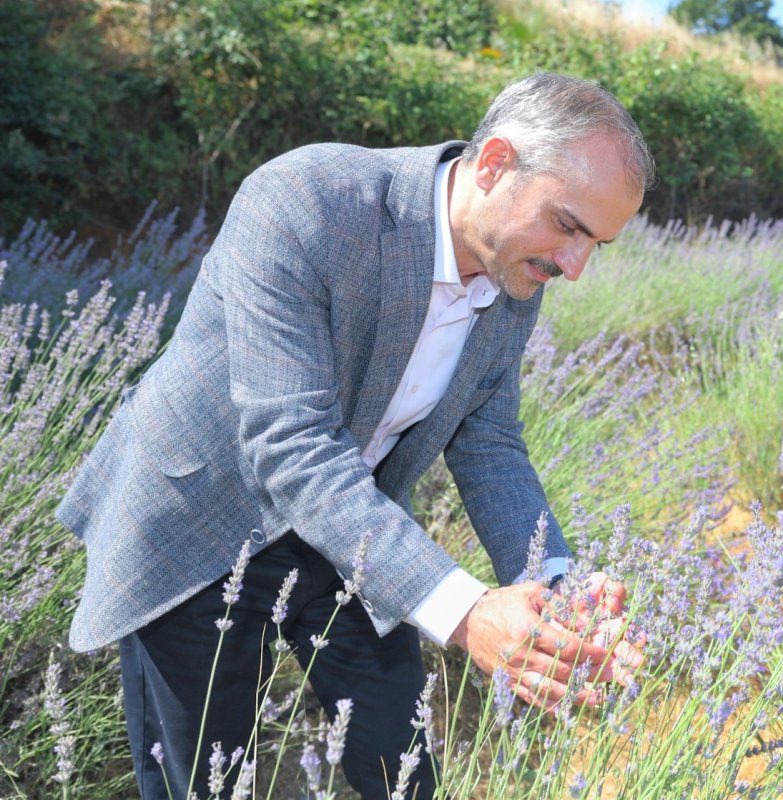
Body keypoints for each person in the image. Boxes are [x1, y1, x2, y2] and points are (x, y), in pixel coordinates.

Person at [55, 72, 653, 799]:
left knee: (402, 774)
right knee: (204, 785)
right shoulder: (309, 199)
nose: (576, 266)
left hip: (352, 531)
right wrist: (466, 613)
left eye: (598, 244)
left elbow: (489, 442)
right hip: (197, 523)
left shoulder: (515, 273)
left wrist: (560, 588)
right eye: (568, 225)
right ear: (494, 164)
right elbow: (292, 443)